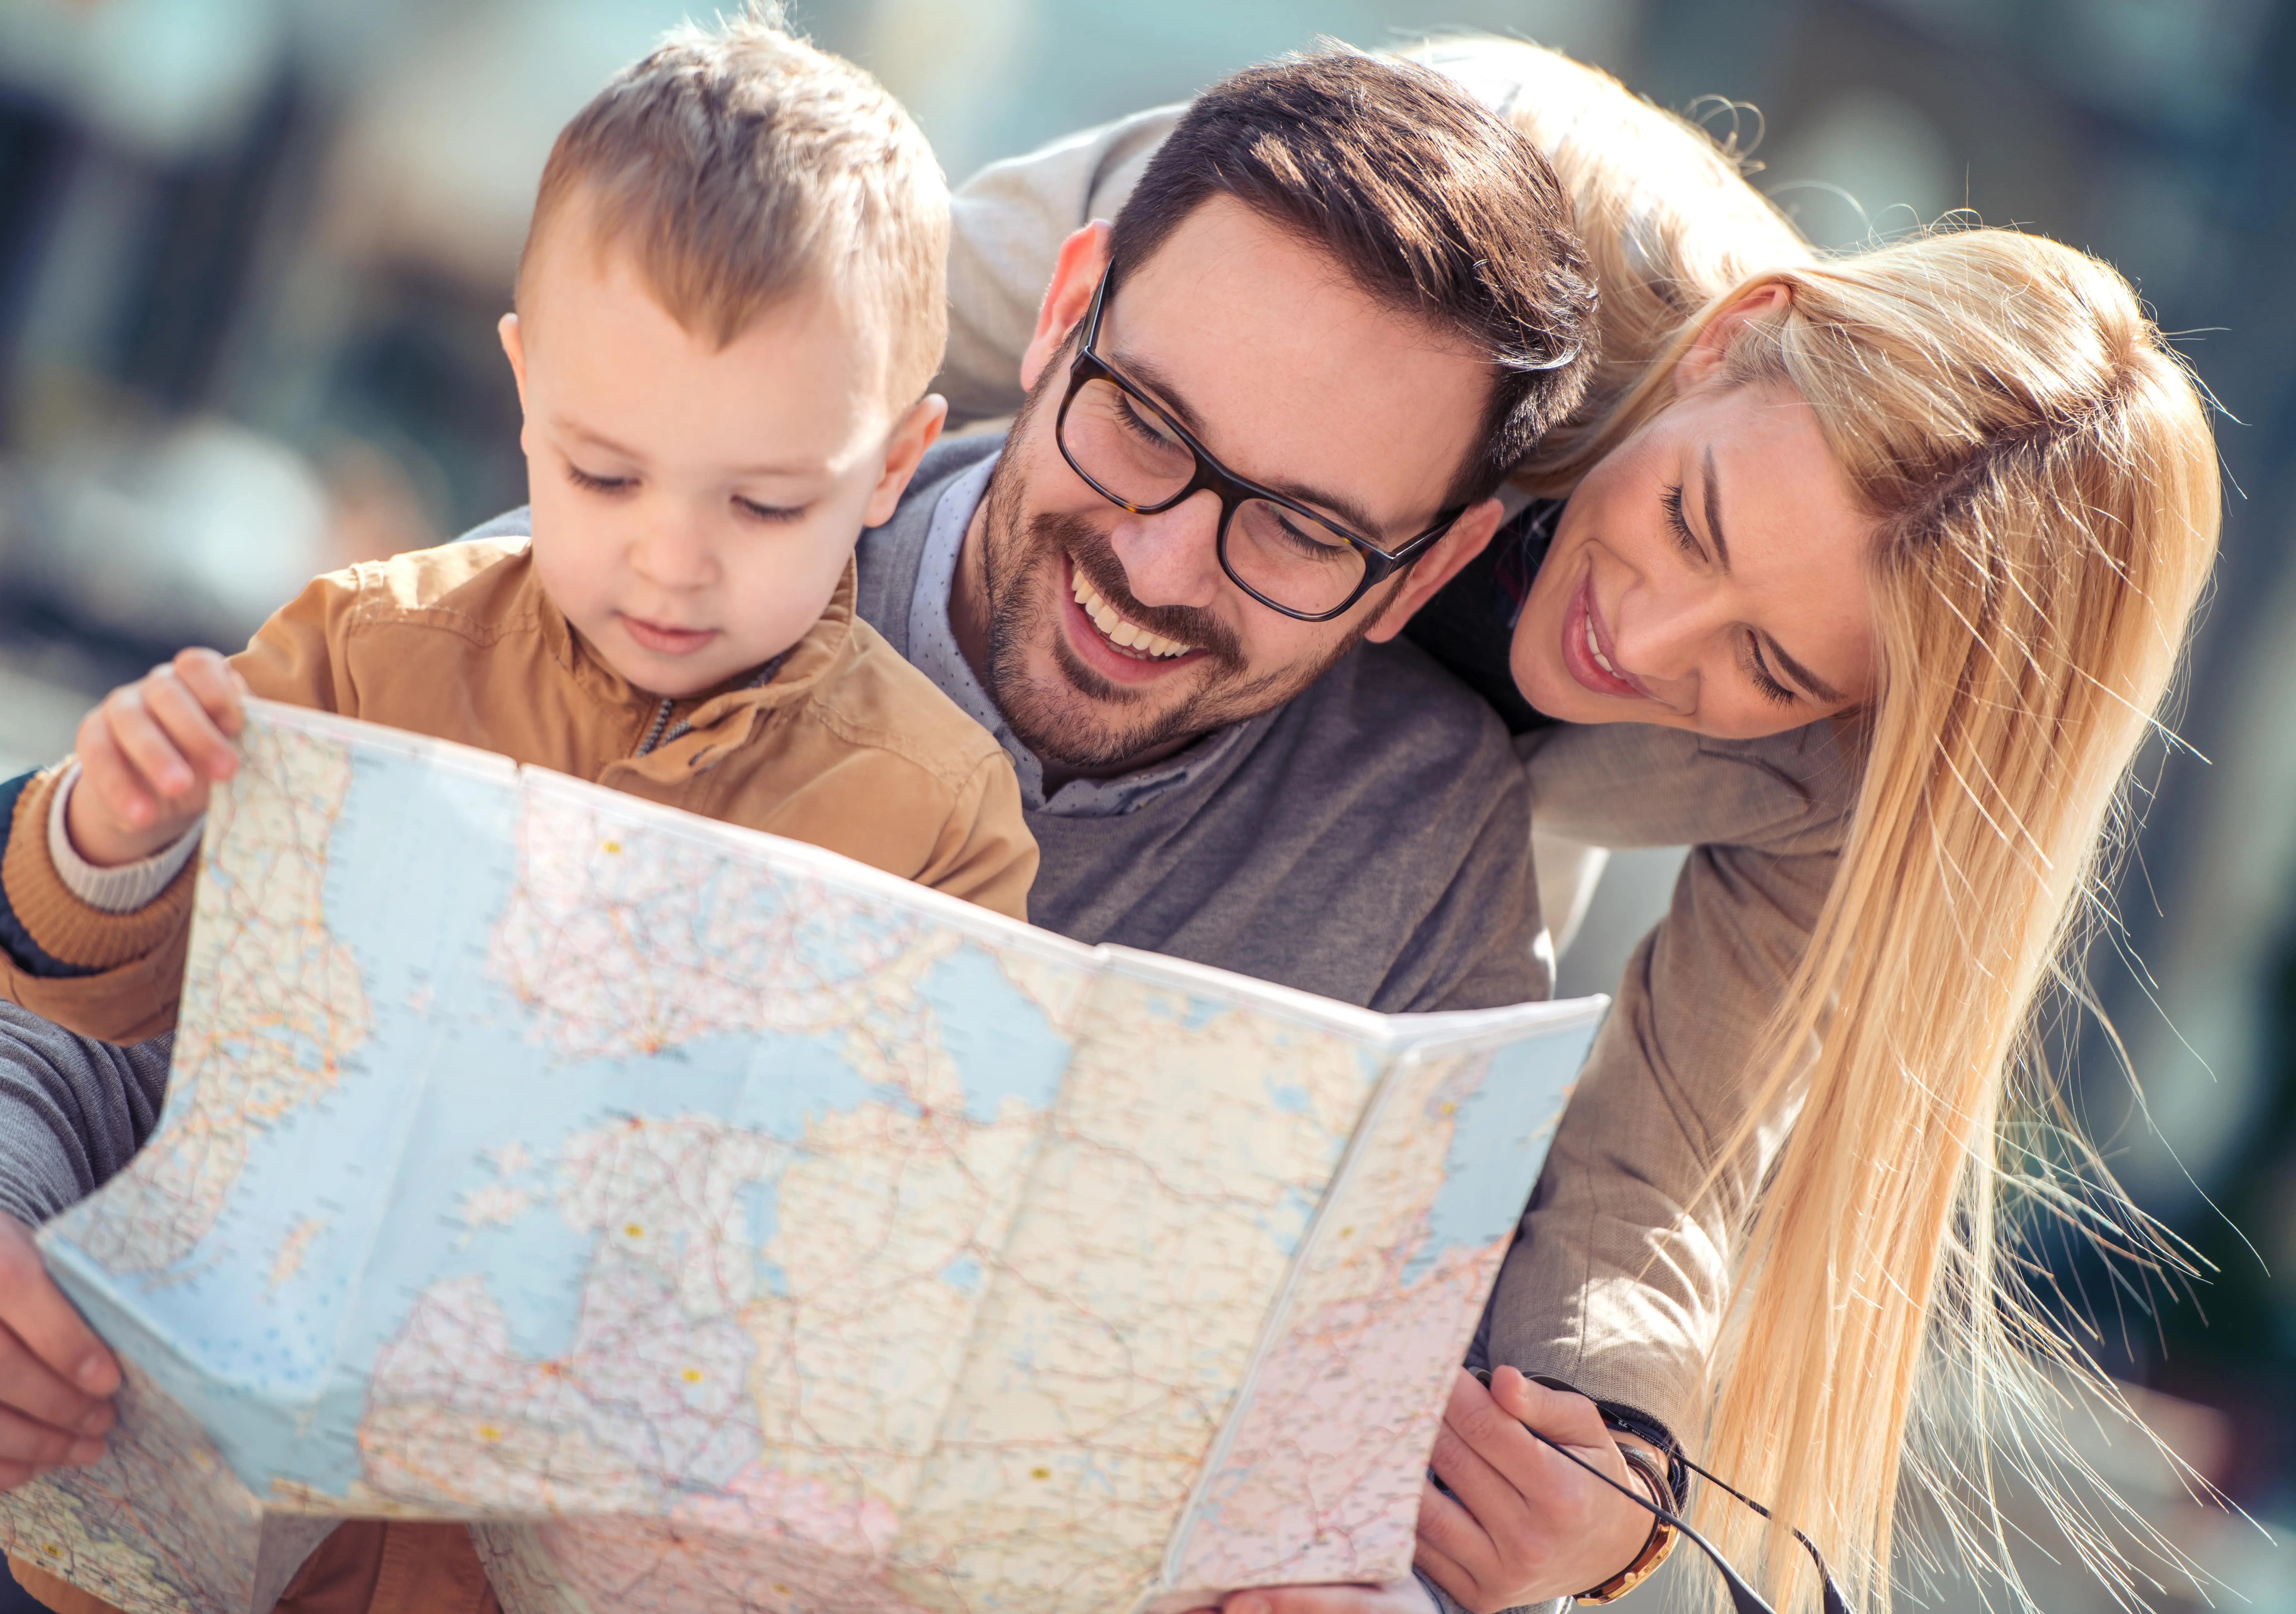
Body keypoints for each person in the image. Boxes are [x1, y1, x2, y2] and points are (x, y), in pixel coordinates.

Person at [0, 38, 1589, 1614]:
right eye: (1142, 425)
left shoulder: (1427, 844)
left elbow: (1393, 1454)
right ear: (1066, 312)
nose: (1157, 564)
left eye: (1298, 530)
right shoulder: (651, 540)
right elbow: (71, 1034)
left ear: (1423, 571)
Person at [935, 35, 2221, 1612]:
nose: (1648, 640)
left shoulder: (1832, 778)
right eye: (1689, 519)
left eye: (1766, 663)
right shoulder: (1429, 205)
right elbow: (849, 332)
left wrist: (1614, 1471)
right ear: (1721, 346)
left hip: (1395, 865)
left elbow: (1652, 1176)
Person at [0, 17, 1066, 1613]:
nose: (670, 557)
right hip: (177, 1524)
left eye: (764, 502)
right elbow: (94, 1001)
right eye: (603, 473)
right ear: (523, 396)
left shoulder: (941, 813)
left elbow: (903, 1241)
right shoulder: (362, 647)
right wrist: (118, 830)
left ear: (893, 469)